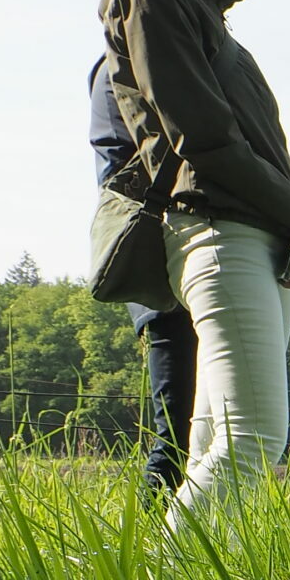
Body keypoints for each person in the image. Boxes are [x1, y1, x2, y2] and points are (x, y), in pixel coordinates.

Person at [92, 0, 290, 525]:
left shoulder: (195, 9)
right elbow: (202, 135)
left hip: (251, 235)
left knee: (212, 443)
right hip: (220, 232)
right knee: (252, 440)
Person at [85, 57, 194, 495]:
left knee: (220, 426)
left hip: (187, 257)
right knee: (178, 434)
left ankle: (204, 546)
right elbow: (123, 167)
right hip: (165, 266)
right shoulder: (120, 67)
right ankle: (154, 551)